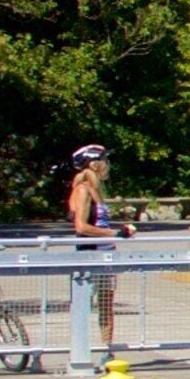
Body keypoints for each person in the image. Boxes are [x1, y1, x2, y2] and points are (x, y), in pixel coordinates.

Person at [65, 143, 133, 350]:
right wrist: (115, 234)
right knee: (83, 303)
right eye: (105, 160)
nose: (108, 165)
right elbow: (81, 226)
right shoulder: (83, 190)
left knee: (106, 305)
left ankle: (107, 350)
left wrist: (120, 232)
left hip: (106, 253)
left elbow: (99, 223)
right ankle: (80, 351)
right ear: (95, 164)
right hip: (90, 253)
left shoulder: (97, 190)